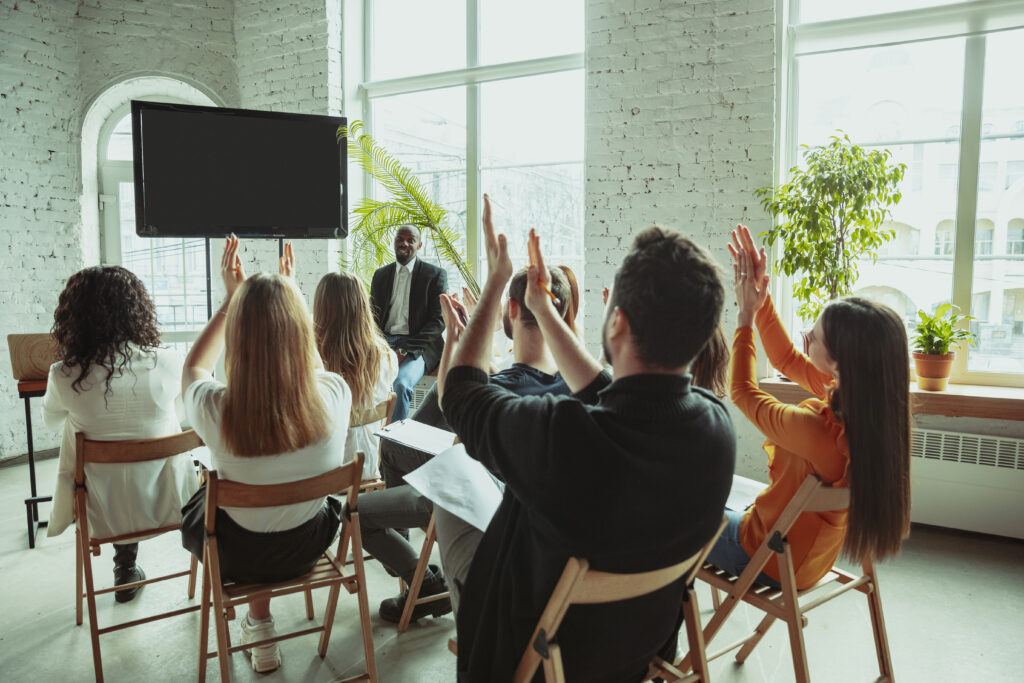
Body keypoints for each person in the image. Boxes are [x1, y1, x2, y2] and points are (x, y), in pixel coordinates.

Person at [435, 195, 736, 682]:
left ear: (616, 322)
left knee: (447, 500)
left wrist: (494, 284)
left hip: (536, 650)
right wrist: (543, 311)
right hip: (633, 649)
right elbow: (617, 395)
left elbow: (463, 395)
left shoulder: (563, 435)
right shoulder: (716, 429)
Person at [358, 265, 576, 625]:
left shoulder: (493, 393)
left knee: (357, 510)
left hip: (477, 509)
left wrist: (457, 342)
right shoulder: (579, 385)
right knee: (399, 444)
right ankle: (417, 579)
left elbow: (451, 398)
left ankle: (418, 579)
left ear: (512, 310)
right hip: (541, 532)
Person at [180, 239, 351, 674]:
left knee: (208, 502)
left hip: (236, 554)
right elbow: (314, 368)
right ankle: (260, 625)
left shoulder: (214, 407)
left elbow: (192, 370)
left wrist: (229, 301)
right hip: (308, 544)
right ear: (302, 331)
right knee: (272, 504)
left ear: (236, 336)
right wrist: (289, 298)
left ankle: (258, 626)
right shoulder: (336, 394)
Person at [709, 224, 911, 589]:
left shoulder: (816, 428)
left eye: (813, 335)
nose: (807, 337)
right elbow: (786, 358)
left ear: (837, 364)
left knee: (670, 512)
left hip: (765, 558)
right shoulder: (868, 409)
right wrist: (759, 297)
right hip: (812, 560)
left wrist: (744, 318)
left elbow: (741, 391)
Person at [42, 266, 198, 603]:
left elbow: (51, 422)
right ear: (137, 311)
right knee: (155, 431)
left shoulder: (63, 375)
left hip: (100, 509)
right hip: (169, 501)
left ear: (75, 316)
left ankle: (124, 567)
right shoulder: (170, 363)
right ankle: (126, 567)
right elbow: (184, 416)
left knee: (77, 429)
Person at [313, 270, 398, 481]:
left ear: (320, 308)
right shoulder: (385, 357)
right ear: (362, 307)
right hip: (366, 467)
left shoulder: (311, 359)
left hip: (323, 474)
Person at [369, 224, 447, 422]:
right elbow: (372, 317)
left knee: (402, 385)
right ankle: (369, 436)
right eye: (400, 239)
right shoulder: (380, 275)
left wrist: (405, 350)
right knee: (364, 381)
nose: (404, 243)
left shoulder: (435, 275)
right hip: (384, 343)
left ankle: (391, 447)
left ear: (419, 245)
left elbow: (438, 322)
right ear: (394, 242)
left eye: (410, 240)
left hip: (418, 346)